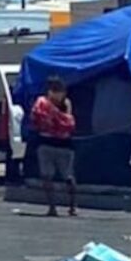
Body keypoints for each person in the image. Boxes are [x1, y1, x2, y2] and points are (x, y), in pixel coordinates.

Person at [31, 76, 77, 217]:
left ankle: (66, 206)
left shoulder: (44, 104)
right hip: (55, 144)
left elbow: (67, 123)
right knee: (54, 177)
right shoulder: (49, 103)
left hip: (53, 144)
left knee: (62, 177)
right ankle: (66, 207)